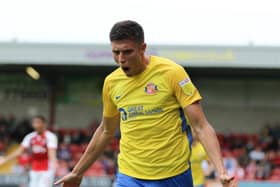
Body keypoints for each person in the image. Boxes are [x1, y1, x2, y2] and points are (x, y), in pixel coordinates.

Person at [55, 20, 236, 187]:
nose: (120, 59)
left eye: (127, 52)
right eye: (115, 52)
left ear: (143, 48)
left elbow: (201, 126)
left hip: (173, 175)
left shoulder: (172, 73)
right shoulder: (111, 83)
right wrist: (77, 172)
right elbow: (106, 130)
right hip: (129, 175)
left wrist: (221, 171)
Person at [0, 115, 58, 187]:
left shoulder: (50, 136)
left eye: (38, 123)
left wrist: (54, 164)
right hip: (34, 168)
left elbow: (51, 152)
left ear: (44, 124)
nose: (36, 125)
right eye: (35, 123)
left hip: (47, 169)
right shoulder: (30, 137)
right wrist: (5, 159)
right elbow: (19, 151)